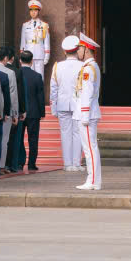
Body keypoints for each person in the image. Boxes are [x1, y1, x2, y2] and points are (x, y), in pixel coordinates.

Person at [73, 33, 102, 190]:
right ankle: (93, 181)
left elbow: (87, 93)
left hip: (87, 114)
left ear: (87, 50)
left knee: (90, 148)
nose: (77, 51)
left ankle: (92, 181)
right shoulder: (90, 67)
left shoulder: (89, 69)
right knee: (90, 148)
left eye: (79, 48)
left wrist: (84, 114)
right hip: (88, 112)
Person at [51, 36, 82, 172]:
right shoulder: (83, 66)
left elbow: (53, 89)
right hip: (78, 104)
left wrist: (53, 108)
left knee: (65, 134)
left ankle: (67, 164)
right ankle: (76, 163)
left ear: (64, 51)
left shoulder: (57, 66)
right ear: (77, 50)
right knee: (77, 133)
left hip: (62, 104)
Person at [18, 50, 46, 172]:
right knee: (33, 139)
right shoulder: (37, 76)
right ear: (32, 61)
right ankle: (31, 163)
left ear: (20, 61)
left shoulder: (16, 74)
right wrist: (42, 112)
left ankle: (19, 162)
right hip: (34, 112)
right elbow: (40, 96)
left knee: (19, 139)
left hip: (19, 112)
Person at [19, 0, 51, 74]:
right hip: (28, 53)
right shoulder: (25, 25)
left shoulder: (44, 25)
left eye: (35, 10)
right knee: (28, 75)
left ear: (38, 11)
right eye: (31, 10)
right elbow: (23, 41)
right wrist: (22, 55)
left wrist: (47, 55)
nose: (33, 13)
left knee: (40, 75)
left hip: (39, 54)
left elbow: (46, 42)